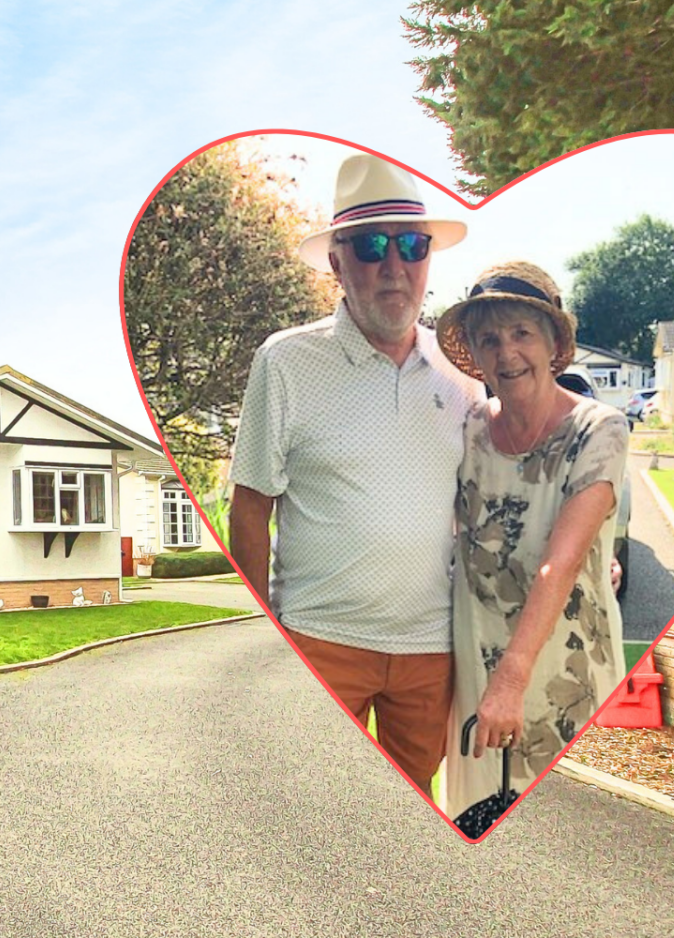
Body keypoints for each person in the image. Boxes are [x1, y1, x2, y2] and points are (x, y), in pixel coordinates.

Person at [227, 153, 481, 789]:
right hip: (319, 643)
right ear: (338, 263)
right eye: (371, 246)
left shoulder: (463, 380)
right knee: (309, 818)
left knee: (412, 818)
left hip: (431, 648)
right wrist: (262, 641)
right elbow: (250, 505)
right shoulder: (285, 362)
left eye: (412, 245)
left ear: (428, 259)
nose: (394, 266)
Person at [433, 261, 629, 816]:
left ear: (551, 345)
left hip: (561, 666)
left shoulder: (600, 429)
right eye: (489, 339)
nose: (506, 353)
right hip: (479, 662)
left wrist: (510, 682)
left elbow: (560, 565)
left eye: (522, 334)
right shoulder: (468, 429)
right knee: (478, 821)